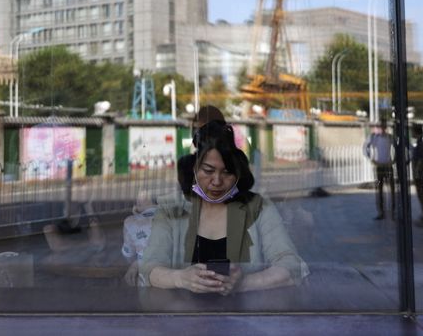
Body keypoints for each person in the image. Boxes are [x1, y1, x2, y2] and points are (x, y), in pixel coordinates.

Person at [139, 120, 308, 294]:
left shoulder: (258, 207)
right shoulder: (171, 209)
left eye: (226, 172)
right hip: (184, 317)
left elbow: (291, 266)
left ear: (238, 174)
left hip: (249, 317)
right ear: (194, 171)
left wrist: (244, 283)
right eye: (208, 171)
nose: (217, 181)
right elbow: (148, 269)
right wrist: (181, 279)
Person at [121, 190, 158, 286]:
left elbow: (128, 255)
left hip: (146, 279)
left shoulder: (130, 222)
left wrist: (135, 264)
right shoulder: (174, 218)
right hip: (175, 275)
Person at [363, 118, 395, 220]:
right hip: (380, 166)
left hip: (388, 165)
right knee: (379, 190)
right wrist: (371, 158)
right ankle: (381, 212)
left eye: (384, 125)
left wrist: (394, 160)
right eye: (381, 126)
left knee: (392, 190)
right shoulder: (374, 137)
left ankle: (393, 211)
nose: (382, 128)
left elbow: (398, 147)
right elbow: (365, 147)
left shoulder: (390, 137)